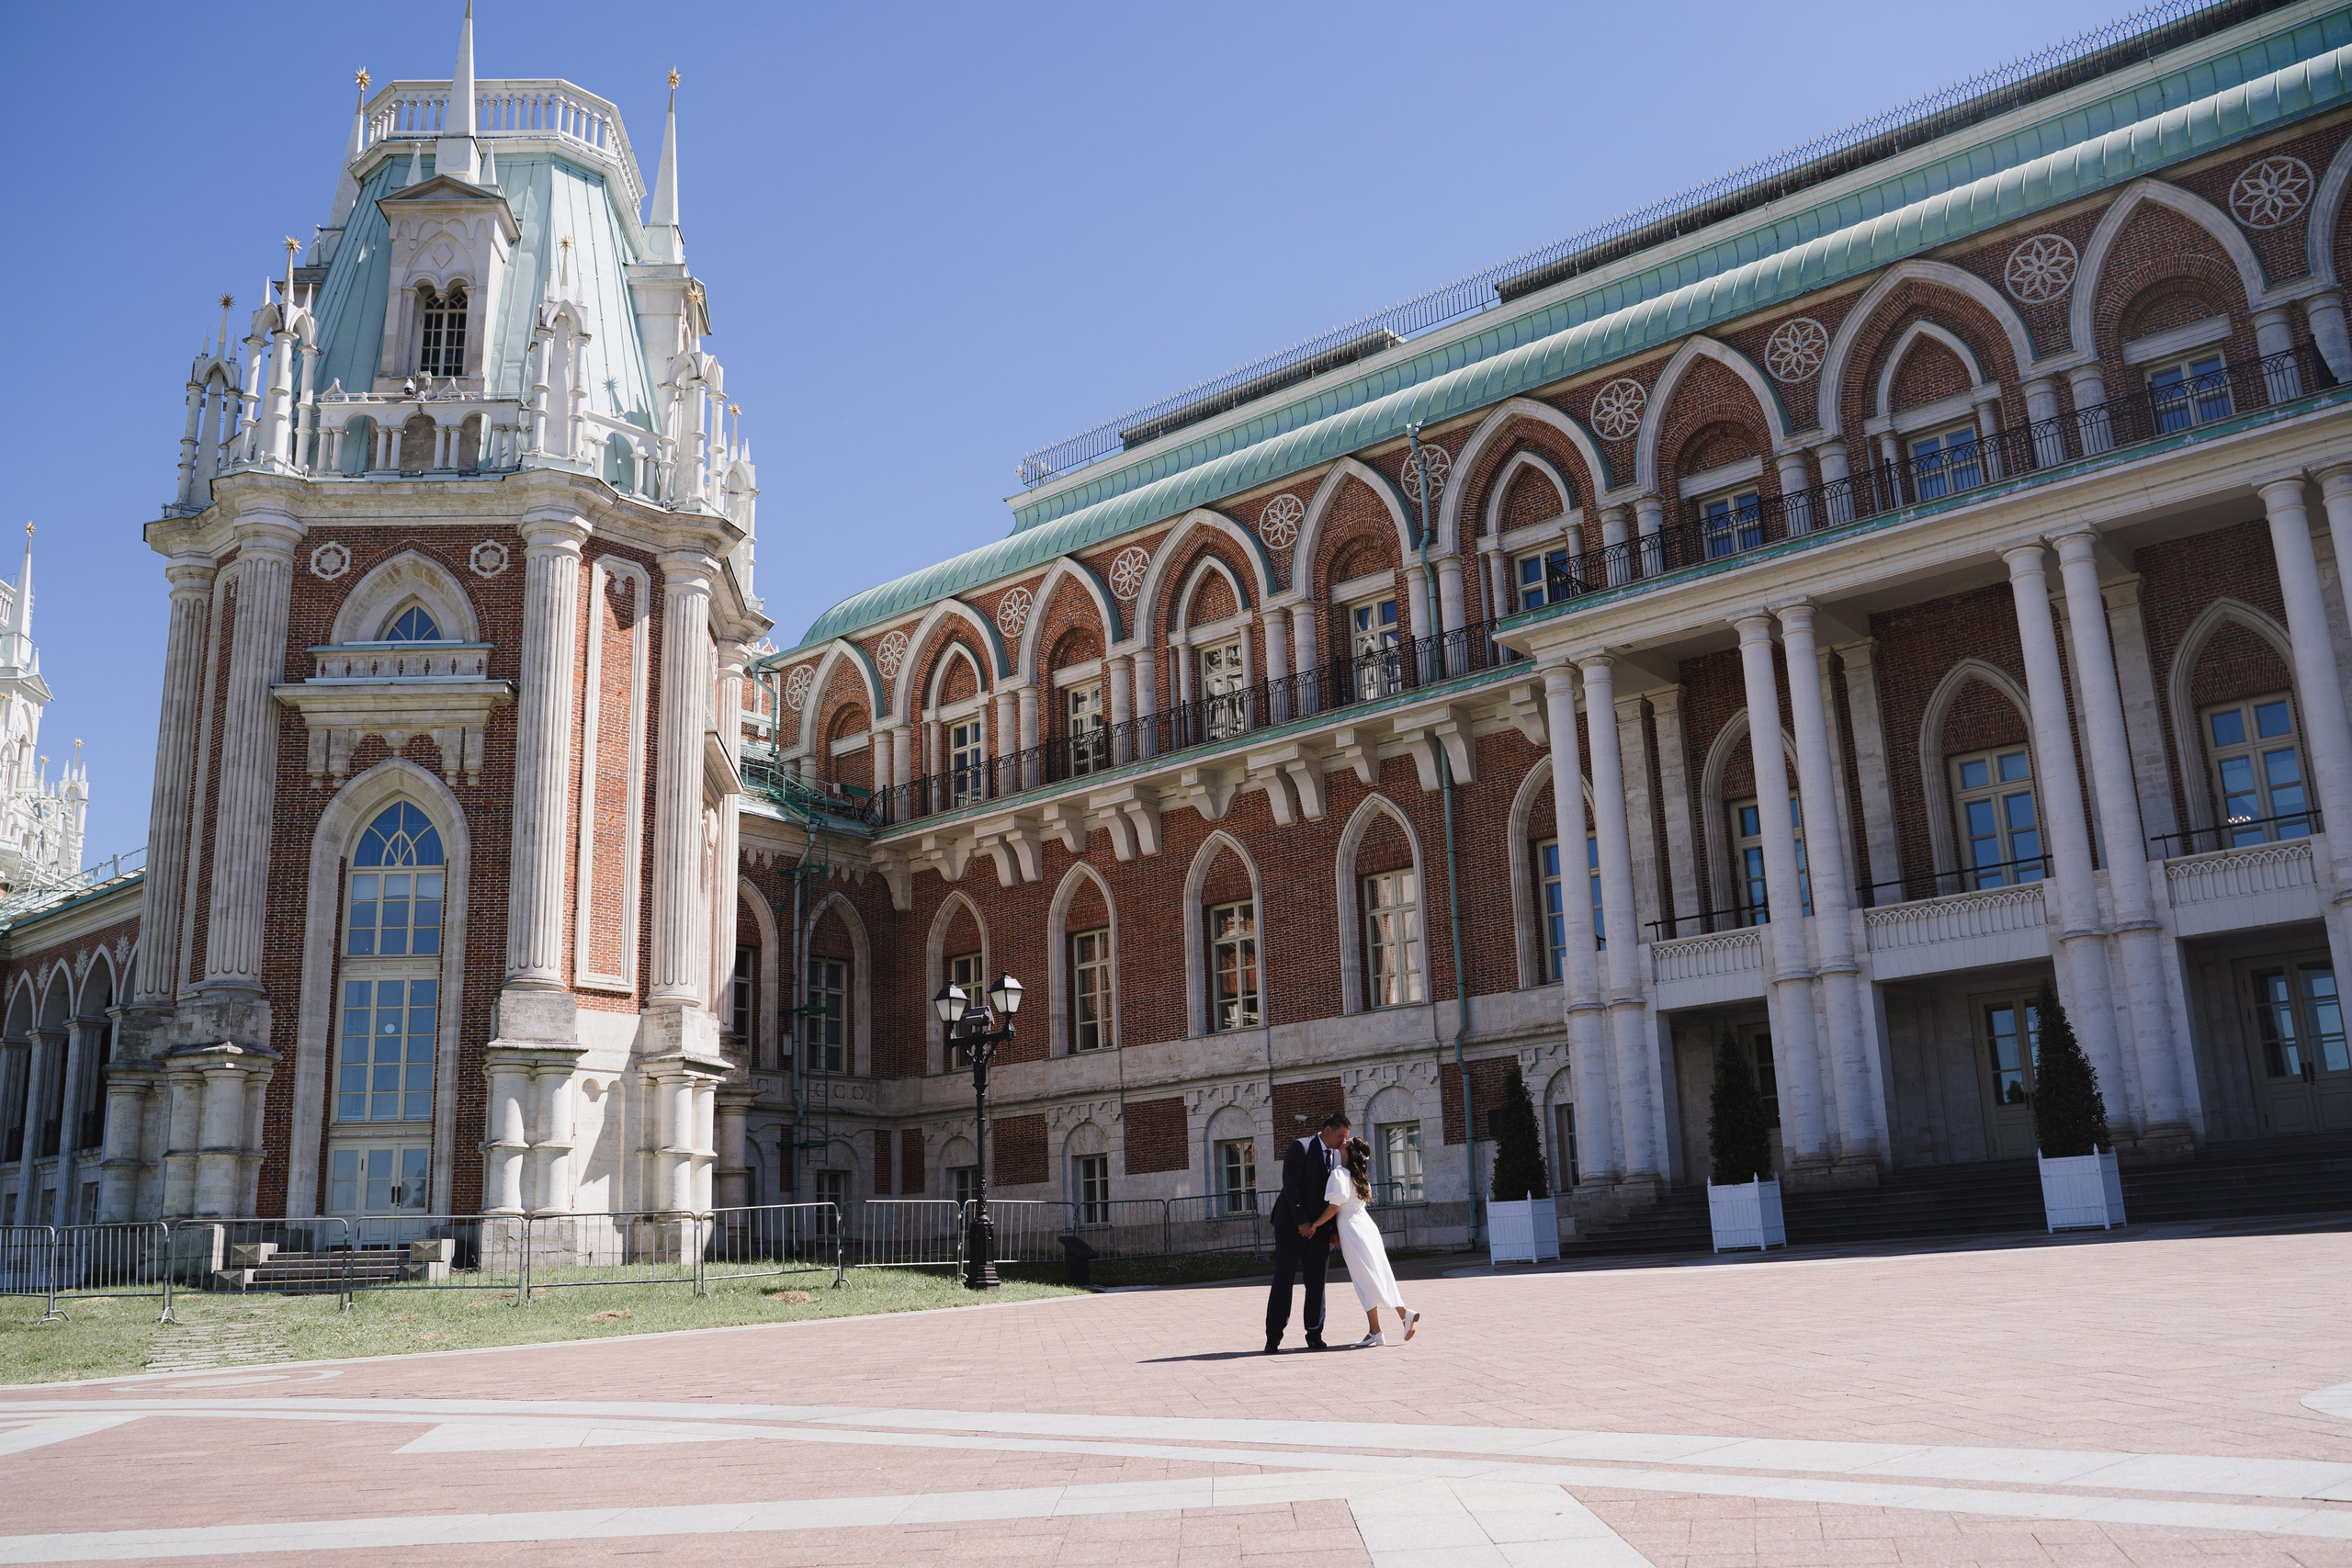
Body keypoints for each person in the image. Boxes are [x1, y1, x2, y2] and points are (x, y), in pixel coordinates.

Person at [1311, 1134, 1419, 1348]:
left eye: (1347, 1141)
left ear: (1349, 1151)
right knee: (1377, 1273)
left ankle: (1399, 1316)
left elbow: (1334, 1207)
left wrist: (1315, 1224)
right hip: (1365, 1227)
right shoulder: (1360, 1176)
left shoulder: (1340, 1174)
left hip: (1353, 1229)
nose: (1343, 1140)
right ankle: (1377, 1329)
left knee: (1364, 1277)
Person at [1264, 1111, 1349, 1353]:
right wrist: (1301, 1221)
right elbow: (1290, 1185)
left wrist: (1331, 1230)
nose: (1343, 1141)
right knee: (1284, 1280)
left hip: (1319, 1230)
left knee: (1316, 1283)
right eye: (1341, 1135)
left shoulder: (1337, 1156)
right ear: (1328, 1129)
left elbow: (1334, 1197)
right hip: (1291, 1226)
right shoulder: (1300, 1147)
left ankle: (1314, 1333)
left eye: (1346, 1137)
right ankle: (1273, 1337)